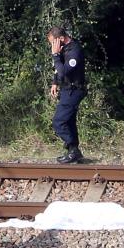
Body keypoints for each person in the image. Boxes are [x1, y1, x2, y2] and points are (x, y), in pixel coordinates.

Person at [47, 27, 86, 164]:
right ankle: (74, 152)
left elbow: (63, 71)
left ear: (61, 39)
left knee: (59, 121)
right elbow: (60, 71)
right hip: (67, 89)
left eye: (53, 42)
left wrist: (55, 56)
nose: (52, 46)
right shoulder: (65, 49)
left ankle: (73, 150)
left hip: (74, 90)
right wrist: (55, 83)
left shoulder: (74, 51)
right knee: (68, 121)